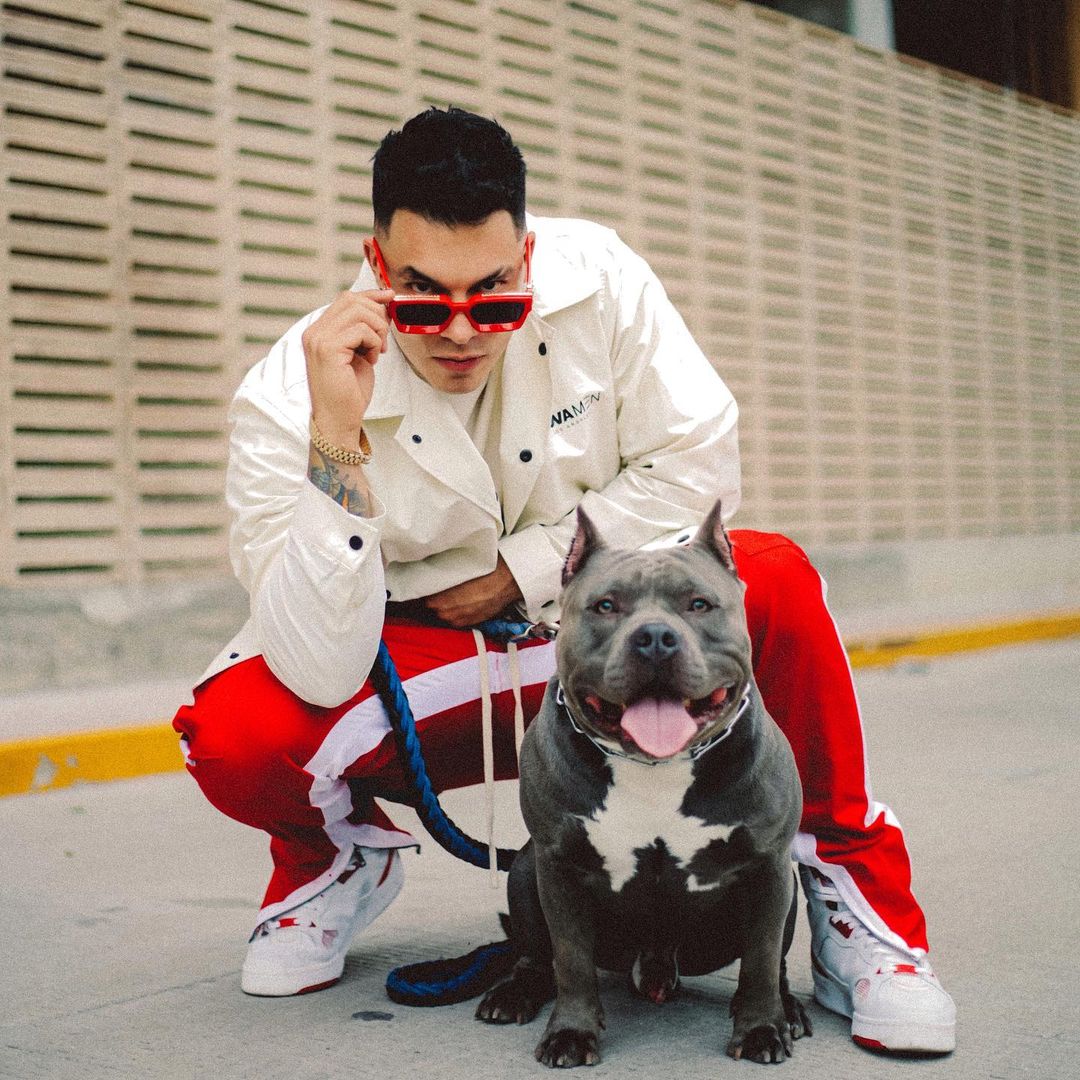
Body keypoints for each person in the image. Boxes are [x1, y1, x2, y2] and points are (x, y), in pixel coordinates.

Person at [172, 106, 955, 1054]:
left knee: (774, 578)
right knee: (238, 731)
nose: (462, 331)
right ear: (376, 267)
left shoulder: (604, 282)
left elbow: (699, 466)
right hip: (428, 657)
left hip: (599, 624)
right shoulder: (288, 391)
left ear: (528, 257)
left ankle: (844, 887)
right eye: (423, 301)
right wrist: (336, 438)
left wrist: (521, 571)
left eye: (493, 297)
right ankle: (335, 861)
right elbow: (315, 661)